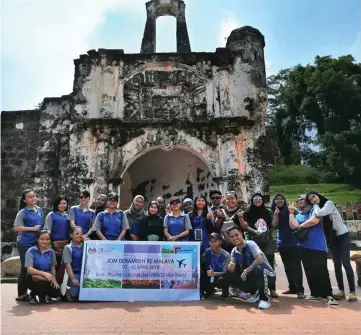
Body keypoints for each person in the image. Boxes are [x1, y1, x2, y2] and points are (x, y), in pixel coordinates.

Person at [306, 191, 357, 302]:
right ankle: (342, 291)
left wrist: (314, 206)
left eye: (314, 197)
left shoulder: (328, 204)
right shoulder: (317, 208)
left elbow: (319, 213)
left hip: (342, 235)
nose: (313, 200)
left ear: (318, 195)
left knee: (346, 263)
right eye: (310, 200)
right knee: (337, 264)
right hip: (332, 237)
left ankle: (352, 292)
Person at [289, 196, 338, 305]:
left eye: (301, 199)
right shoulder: (298, 215)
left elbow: (314, 221)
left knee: (322, 270)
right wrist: (291, 213)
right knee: (309, 270)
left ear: (307, 201)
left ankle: (329, 295)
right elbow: (293, 226)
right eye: (298, 200)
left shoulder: (314, 210)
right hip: (303, 245)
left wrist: (300, 227)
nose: (299, 201)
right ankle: (316, 293)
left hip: (318, 245)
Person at [226, 226, 276, 309]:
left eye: (236, 235)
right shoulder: (234, 251)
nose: (235, 238)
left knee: (258, 269)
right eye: (232, 236)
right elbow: (232, 267)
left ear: (241, 234)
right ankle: (255, 294)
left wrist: (246, 271)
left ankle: (265, 299)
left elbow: (259, 260)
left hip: (268, 274)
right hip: (253, 275)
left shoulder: (250, 244)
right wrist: (230, 266)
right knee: (229, 275)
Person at [239, 193, 278, 298]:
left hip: (266, 240)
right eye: (255, 199)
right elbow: (244, 227)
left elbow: (273, 225)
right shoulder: (247, 212)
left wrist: (276, 215)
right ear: (252, 200)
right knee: (253, 264)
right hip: (252, 241)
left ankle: (272, 288)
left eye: (259, 199)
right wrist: (254, 231)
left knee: (269, 263)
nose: (257, 201)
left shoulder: (268, 211)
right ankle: (254, 289)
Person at [271, 194, 304, 298]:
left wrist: (291, 213)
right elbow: (274, 225)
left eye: (281, 199)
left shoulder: (291, 210)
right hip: (281, 243)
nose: (279, 201)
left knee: (296, 267)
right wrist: (276, 215)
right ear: (274, 201)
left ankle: (300, 290)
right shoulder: (273, 211)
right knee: (287, 267)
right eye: (277, 199)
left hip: (293, 242)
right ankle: (292, 287)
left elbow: (297, 224)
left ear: (284, 200)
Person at [13, 189, 43, 302]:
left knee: (36, 267)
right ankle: (22, 293)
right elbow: (16, 227)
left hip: (36, 243)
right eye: (30, 197)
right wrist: (32, 228)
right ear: (25, 200)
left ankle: (35, 291)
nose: (33, 198)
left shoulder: (39, 210)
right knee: (26, 268)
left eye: (34, 196)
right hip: (24, 243)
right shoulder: (22, 212)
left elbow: (41, 226)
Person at [25, 230, 61, 304]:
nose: (45, 241)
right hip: (33, 277)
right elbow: (29, 269)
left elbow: (53, 267)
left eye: (47, 239)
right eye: (42, 239)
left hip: (48, 276)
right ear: (37, 239)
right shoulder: (31, 251)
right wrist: (44, 274)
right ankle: (33, 295)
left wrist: (54, 279)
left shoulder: (51, 252)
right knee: (41, 285)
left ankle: (45, 294)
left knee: (56, 292)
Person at [200, 233, 231, 299]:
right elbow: (200, 262)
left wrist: (214, 273)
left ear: (220, 241)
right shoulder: (207, 251)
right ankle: (209, 290)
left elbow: (226, 271)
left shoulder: (226, 255)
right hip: (209, 274)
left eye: (215, 241)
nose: (212, 243)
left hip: (220, 275)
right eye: (211, 241)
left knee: (225, 278)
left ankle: (225, 293)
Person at [43, 195, 70, 266]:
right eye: (60, 203)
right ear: (56, 204)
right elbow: (46, 230)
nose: (62, 205)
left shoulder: (68, 217)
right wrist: (49, 245)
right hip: (54, 245)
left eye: (64, 203)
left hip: (66, 246)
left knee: (63, 268)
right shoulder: (51, 215)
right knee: (54, 267)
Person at [63, 226, 84, 302]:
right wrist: (73, 279)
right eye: (77, 233)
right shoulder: (68, 247)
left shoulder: (85, 246)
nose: (79, 235)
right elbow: (67, 264)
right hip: (74, 274)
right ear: (71, 235)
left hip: (84, 274)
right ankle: (68, 291)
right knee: (75, 296)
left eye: (81, 233)